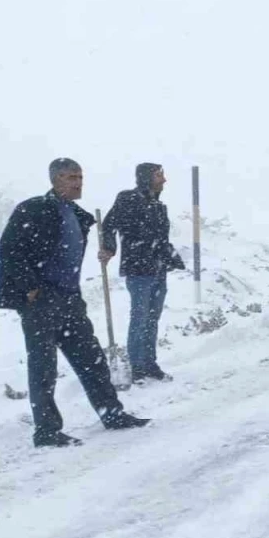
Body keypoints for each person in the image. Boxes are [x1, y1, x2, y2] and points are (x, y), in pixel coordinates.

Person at [0, 159, 151, 448]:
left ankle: (112, 414)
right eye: (70, 177)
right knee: (43, 368)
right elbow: (6, 250)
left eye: (80, 176)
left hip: (69, 300)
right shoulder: (34, 208)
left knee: (92, 360)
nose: (77, 182)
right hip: (41, 301)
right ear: (55, 180)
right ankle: (47, 431)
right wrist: (29, 287)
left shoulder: (77, 215)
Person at [99, 162, 186, 383]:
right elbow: (109, 225)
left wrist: (171, 258)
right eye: (159, 176)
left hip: (158, 270)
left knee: (152, 319)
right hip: (138, 270)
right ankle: (137, 366)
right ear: (146, 177)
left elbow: (160, 240)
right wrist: (109, 248)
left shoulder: (159, 207)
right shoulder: (127, 199)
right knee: (139, 318)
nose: (164, 180)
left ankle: (149, 363)